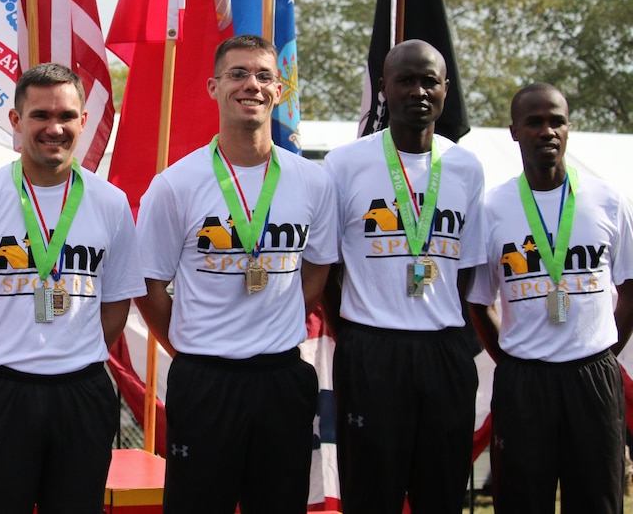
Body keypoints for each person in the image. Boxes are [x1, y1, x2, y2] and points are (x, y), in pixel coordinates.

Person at [135, 34, 339, 513]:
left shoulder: (313, 181)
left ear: (280, 90)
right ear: (213, 86)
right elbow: (149, 286)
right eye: (238, 74)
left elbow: (319, 267)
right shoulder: (174, 185)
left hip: (282, 376)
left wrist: (280, 316)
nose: (252, 85)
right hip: (205, 378)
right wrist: (191, 345)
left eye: (264, 75)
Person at [0, 63, 144, 514]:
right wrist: (1, 363)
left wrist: (71, 352)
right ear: (16, 120)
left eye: (67, 116)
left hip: (82, 393)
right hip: (2, 394)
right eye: (40, 116)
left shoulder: (110, 204)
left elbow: (116, 306)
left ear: (83, 121)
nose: (55, 128)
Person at [322, 38, 486, 513]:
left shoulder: (465, 166)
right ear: (384, 87)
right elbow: (329, 267)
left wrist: (446, 330)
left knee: (443, 487)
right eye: (406, 80)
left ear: (445, 90)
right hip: (372, 348)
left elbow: (467, 268)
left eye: (429, 81)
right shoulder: (344, 164)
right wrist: (352, 335)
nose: (418, 90)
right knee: (372, 490)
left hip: (444, 349)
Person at [467, 83, 633, 514]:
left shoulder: (607, 200)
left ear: (568, 128)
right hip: (525, 380)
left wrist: (603, 351)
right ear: (514, 132)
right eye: (534, 122)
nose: (547, 131)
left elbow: (631, 287)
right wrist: (509, 356)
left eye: (556, 121)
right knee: (522, 501)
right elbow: (479, 301)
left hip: (593, 377)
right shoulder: (492, 209)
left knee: (598, 500)